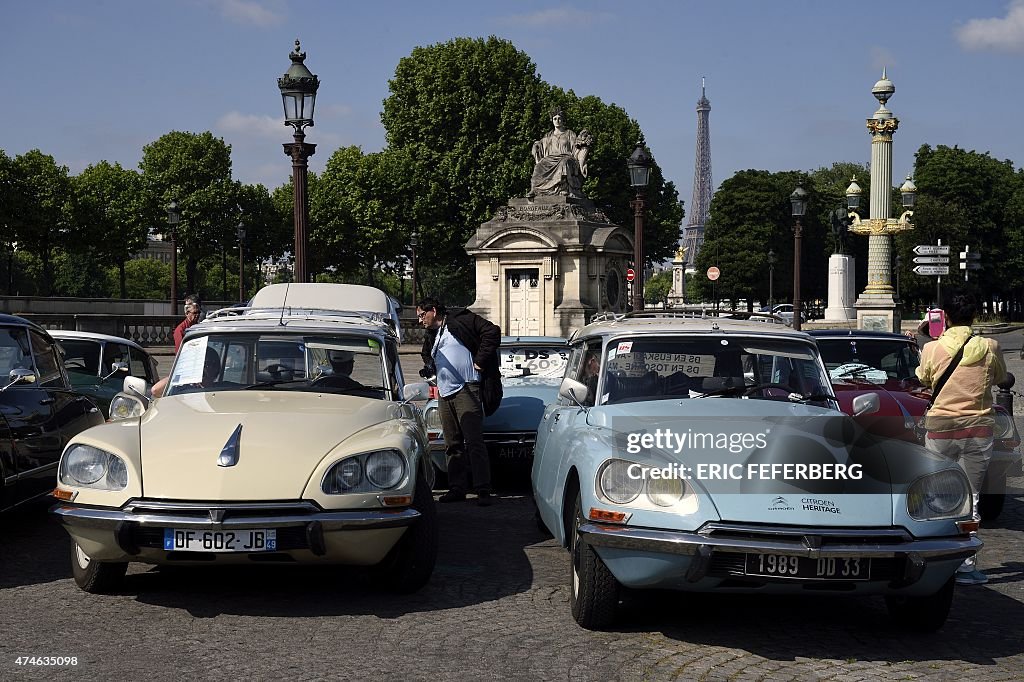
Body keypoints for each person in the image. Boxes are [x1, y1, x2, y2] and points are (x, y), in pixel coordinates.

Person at [916, 290, 1007, 585]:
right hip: (978, 428)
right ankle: (967, 564)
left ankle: (937, 559)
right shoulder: (990, 346)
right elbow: (999, 377)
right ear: (974, 317)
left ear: (946, 317)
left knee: (937, 494)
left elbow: (925, 378)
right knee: (971, 496)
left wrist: (923, 339)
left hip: (941, 427)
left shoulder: (933, 348)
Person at [417, 296, 501, 506]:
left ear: (433, 311)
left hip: (467, 387)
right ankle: (457, 488)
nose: (420, 320)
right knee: (452, 443)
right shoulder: (431, 334)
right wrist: (431, 369)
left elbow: (492, 332)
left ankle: (483, 489)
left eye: (421, 315)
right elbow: (427, 355)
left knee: (474, 441)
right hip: (444, 391)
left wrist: (480, 361)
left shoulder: (460, 320)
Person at [530, 106, 593, 199]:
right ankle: (535, 189)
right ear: (552, 120)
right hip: (550, 159)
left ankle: (562, 188)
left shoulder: (569, 134)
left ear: (563, 120)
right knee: (539, 166)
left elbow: (575, 148)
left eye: (559, 119)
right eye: (555, 119)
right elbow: (541, 147)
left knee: (564, 163)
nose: (557, 120)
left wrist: (582, 144)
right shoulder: (548, 135)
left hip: (567, 158)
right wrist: (536, 146)